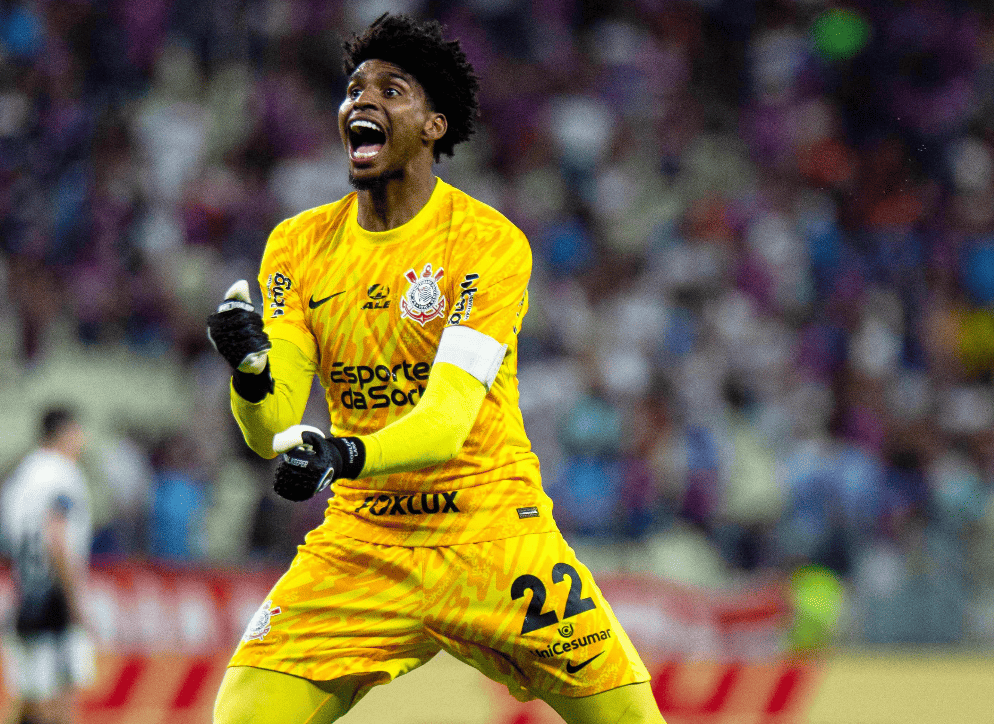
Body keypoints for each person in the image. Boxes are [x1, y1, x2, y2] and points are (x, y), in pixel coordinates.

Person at [206, 14, 666, 724]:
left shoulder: (487, 243)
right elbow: (271, 428)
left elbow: (447, 420)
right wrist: (248, 370)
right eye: (354, 89)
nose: (362, 100)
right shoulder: (298, 245)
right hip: (363, 545)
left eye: (391, 90)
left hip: (493, 539)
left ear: (433, 125)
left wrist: (341, 455)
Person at [0, 407, 95, 724]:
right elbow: (56, 535)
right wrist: (74, 600)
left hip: (24, 593)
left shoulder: (19, 477)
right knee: (60, 697)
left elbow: (7, 540)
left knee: (31, 698)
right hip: (55, 596)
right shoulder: (63, 473)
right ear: (65, 433)